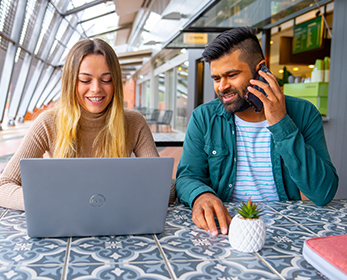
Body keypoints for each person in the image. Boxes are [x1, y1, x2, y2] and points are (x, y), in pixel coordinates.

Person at [175, 27, 338, 236]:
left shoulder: (304, 113)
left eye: (232, 75)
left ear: (261, 69)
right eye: (216, 78)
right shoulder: (203, 118)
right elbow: (187, 176)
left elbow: (323, 192)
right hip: (226, 228)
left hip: (284, 228)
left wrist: (280, 123)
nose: (222, 87)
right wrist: (201, 195)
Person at [0, 38, 160, 211]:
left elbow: (163, 186)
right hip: (64, 220)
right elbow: (4, 186)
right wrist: (45, 201)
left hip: (116, 220)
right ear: (70, 82)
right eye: (85, 80)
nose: (96, 89)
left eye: (106, 80)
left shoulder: (134, 122)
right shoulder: (48, 123)